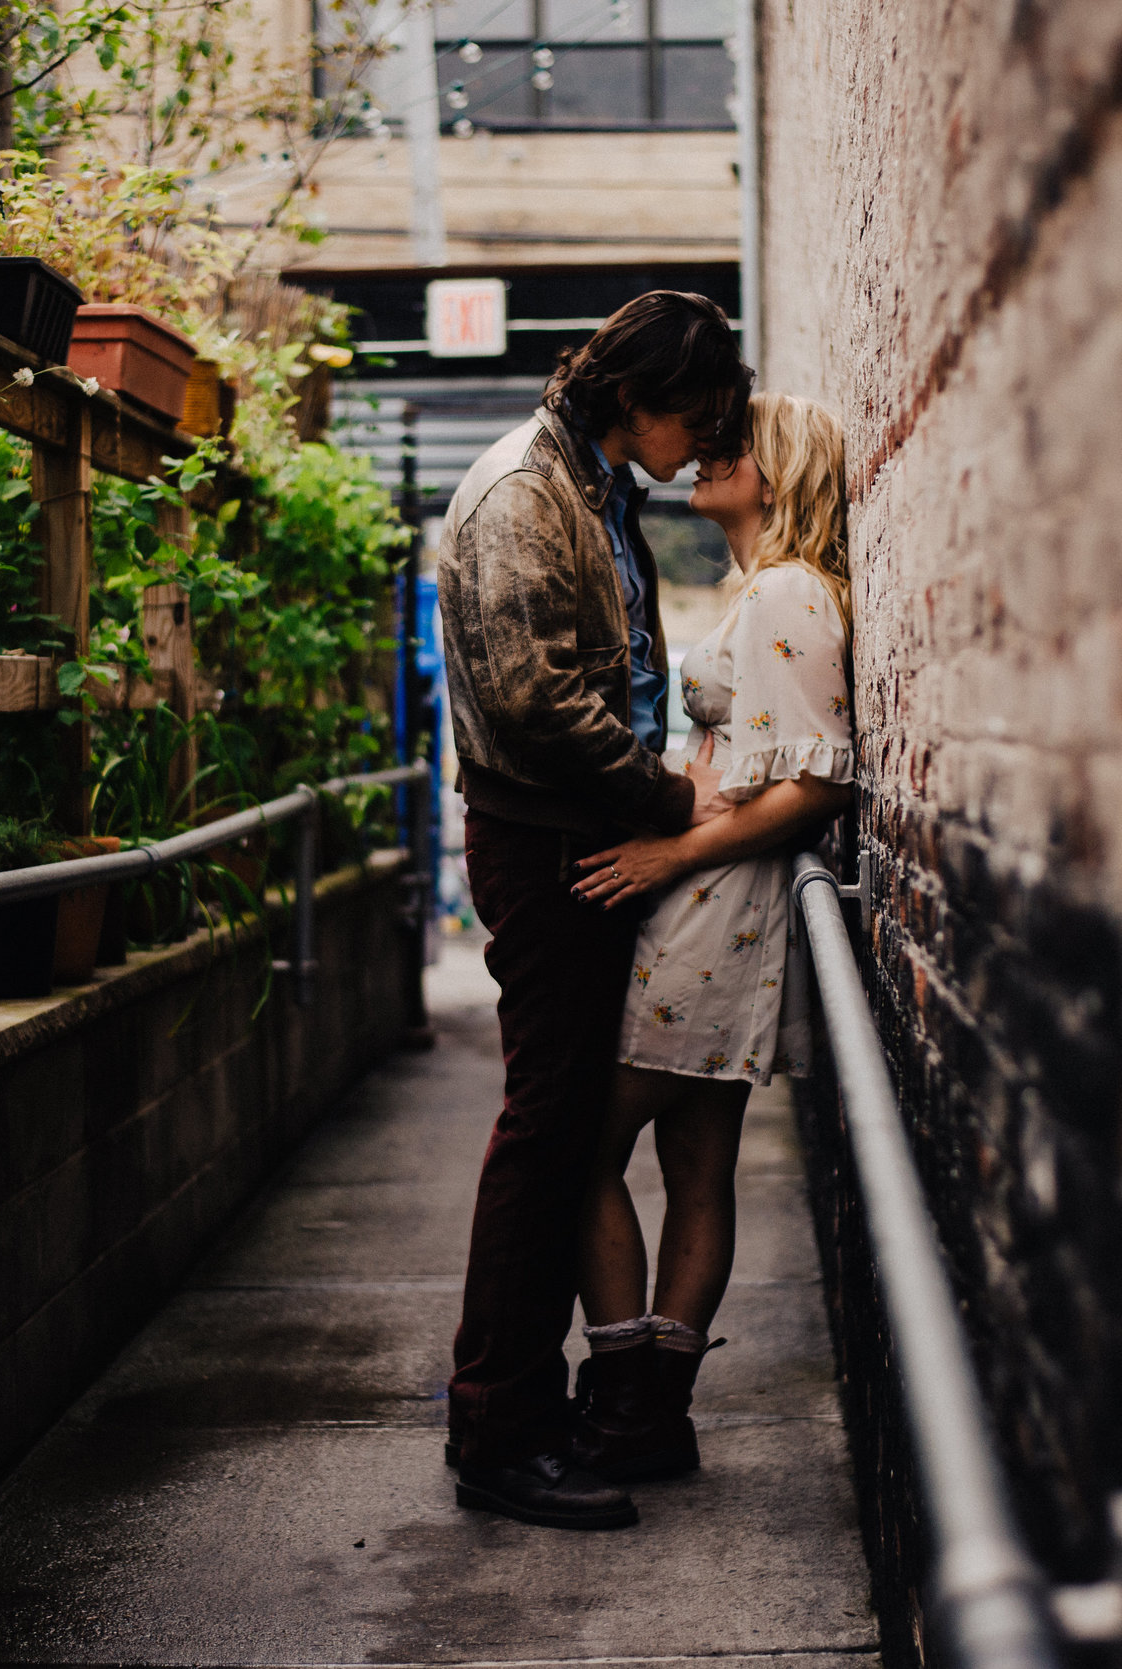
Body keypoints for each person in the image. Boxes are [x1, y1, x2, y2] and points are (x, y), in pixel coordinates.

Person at [438, 291, 754, 1530]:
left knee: (565, 1129)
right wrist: (666, 793)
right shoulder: (528, 491)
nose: (707, 442)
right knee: (550, 1132)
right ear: (636, 394)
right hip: (549, 843)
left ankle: (522, 1404)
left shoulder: (597, 485)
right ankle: (499, 1430)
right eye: (697, 414)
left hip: (577, 834)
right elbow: (532, 699)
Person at [563, 394, 857, 1482]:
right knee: (695, 1162)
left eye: (730, 446)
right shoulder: (769, 588)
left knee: (579, 1152)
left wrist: (667, 857)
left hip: (707, 900)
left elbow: (820, 778)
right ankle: (651, 1414)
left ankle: (627, 1395)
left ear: (773, 474)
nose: (704, 455)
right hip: (726, 899)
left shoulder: (784, 590)